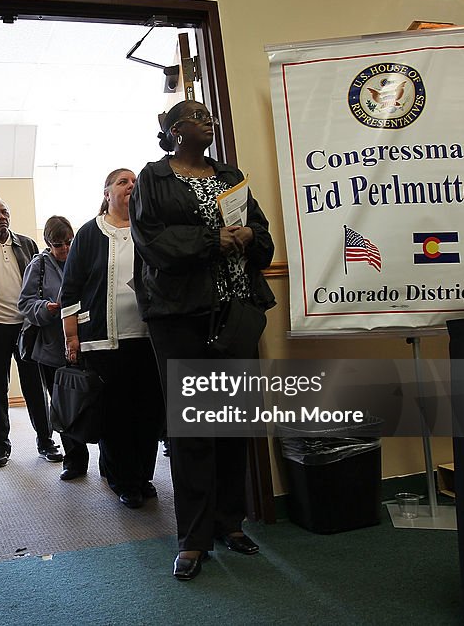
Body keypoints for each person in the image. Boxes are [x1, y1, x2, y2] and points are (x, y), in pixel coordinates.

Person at [130, 100, 276, 581]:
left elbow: (262, 234)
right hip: (179, 315)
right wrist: (214, 240)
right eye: (197, 117)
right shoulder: (153, 178)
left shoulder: (231, 175)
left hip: (235, 311)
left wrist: (250, 235)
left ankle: (229, 523)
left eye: (210, 115)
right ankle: (192, 538)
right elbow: (153, 241)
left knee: (232, 422)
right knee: (192, 427)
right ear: (174, 131)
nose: (208, 121)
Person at [59, 169, 164, 507]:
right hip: (104, 340)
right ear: (106, 193)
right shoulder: (89, 234)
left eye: (134, 182)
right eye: (122, 182)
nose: (130, 186)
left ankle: (143, 475)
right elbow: (71, 288)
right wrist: (71, 336)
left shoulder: (148, 228)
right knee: (116, 414)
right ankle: (123, 481)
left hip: (147, 336)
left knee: (148, 410)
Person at [0, 198, 63, 468]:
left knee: (34, 387)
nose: (1, 216)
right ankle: (0, 447)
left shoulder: (27, 244)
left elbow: (42, 281)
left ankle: (45, 441)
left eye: (4, 211)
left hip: (25, 326)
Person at [17, 216, 86, 480]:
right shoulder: (39, 265)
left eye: (69, 242)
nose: (66, 249)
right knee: (62, 405)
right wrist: (46, 309)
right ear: (48, 243)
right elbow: (25, 303)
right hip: (51, 347)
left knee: (91, 398)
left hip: (84, 341)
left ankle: (107, 462)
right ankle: (74, 460)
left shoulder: (81, 257)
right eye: (59, 245)